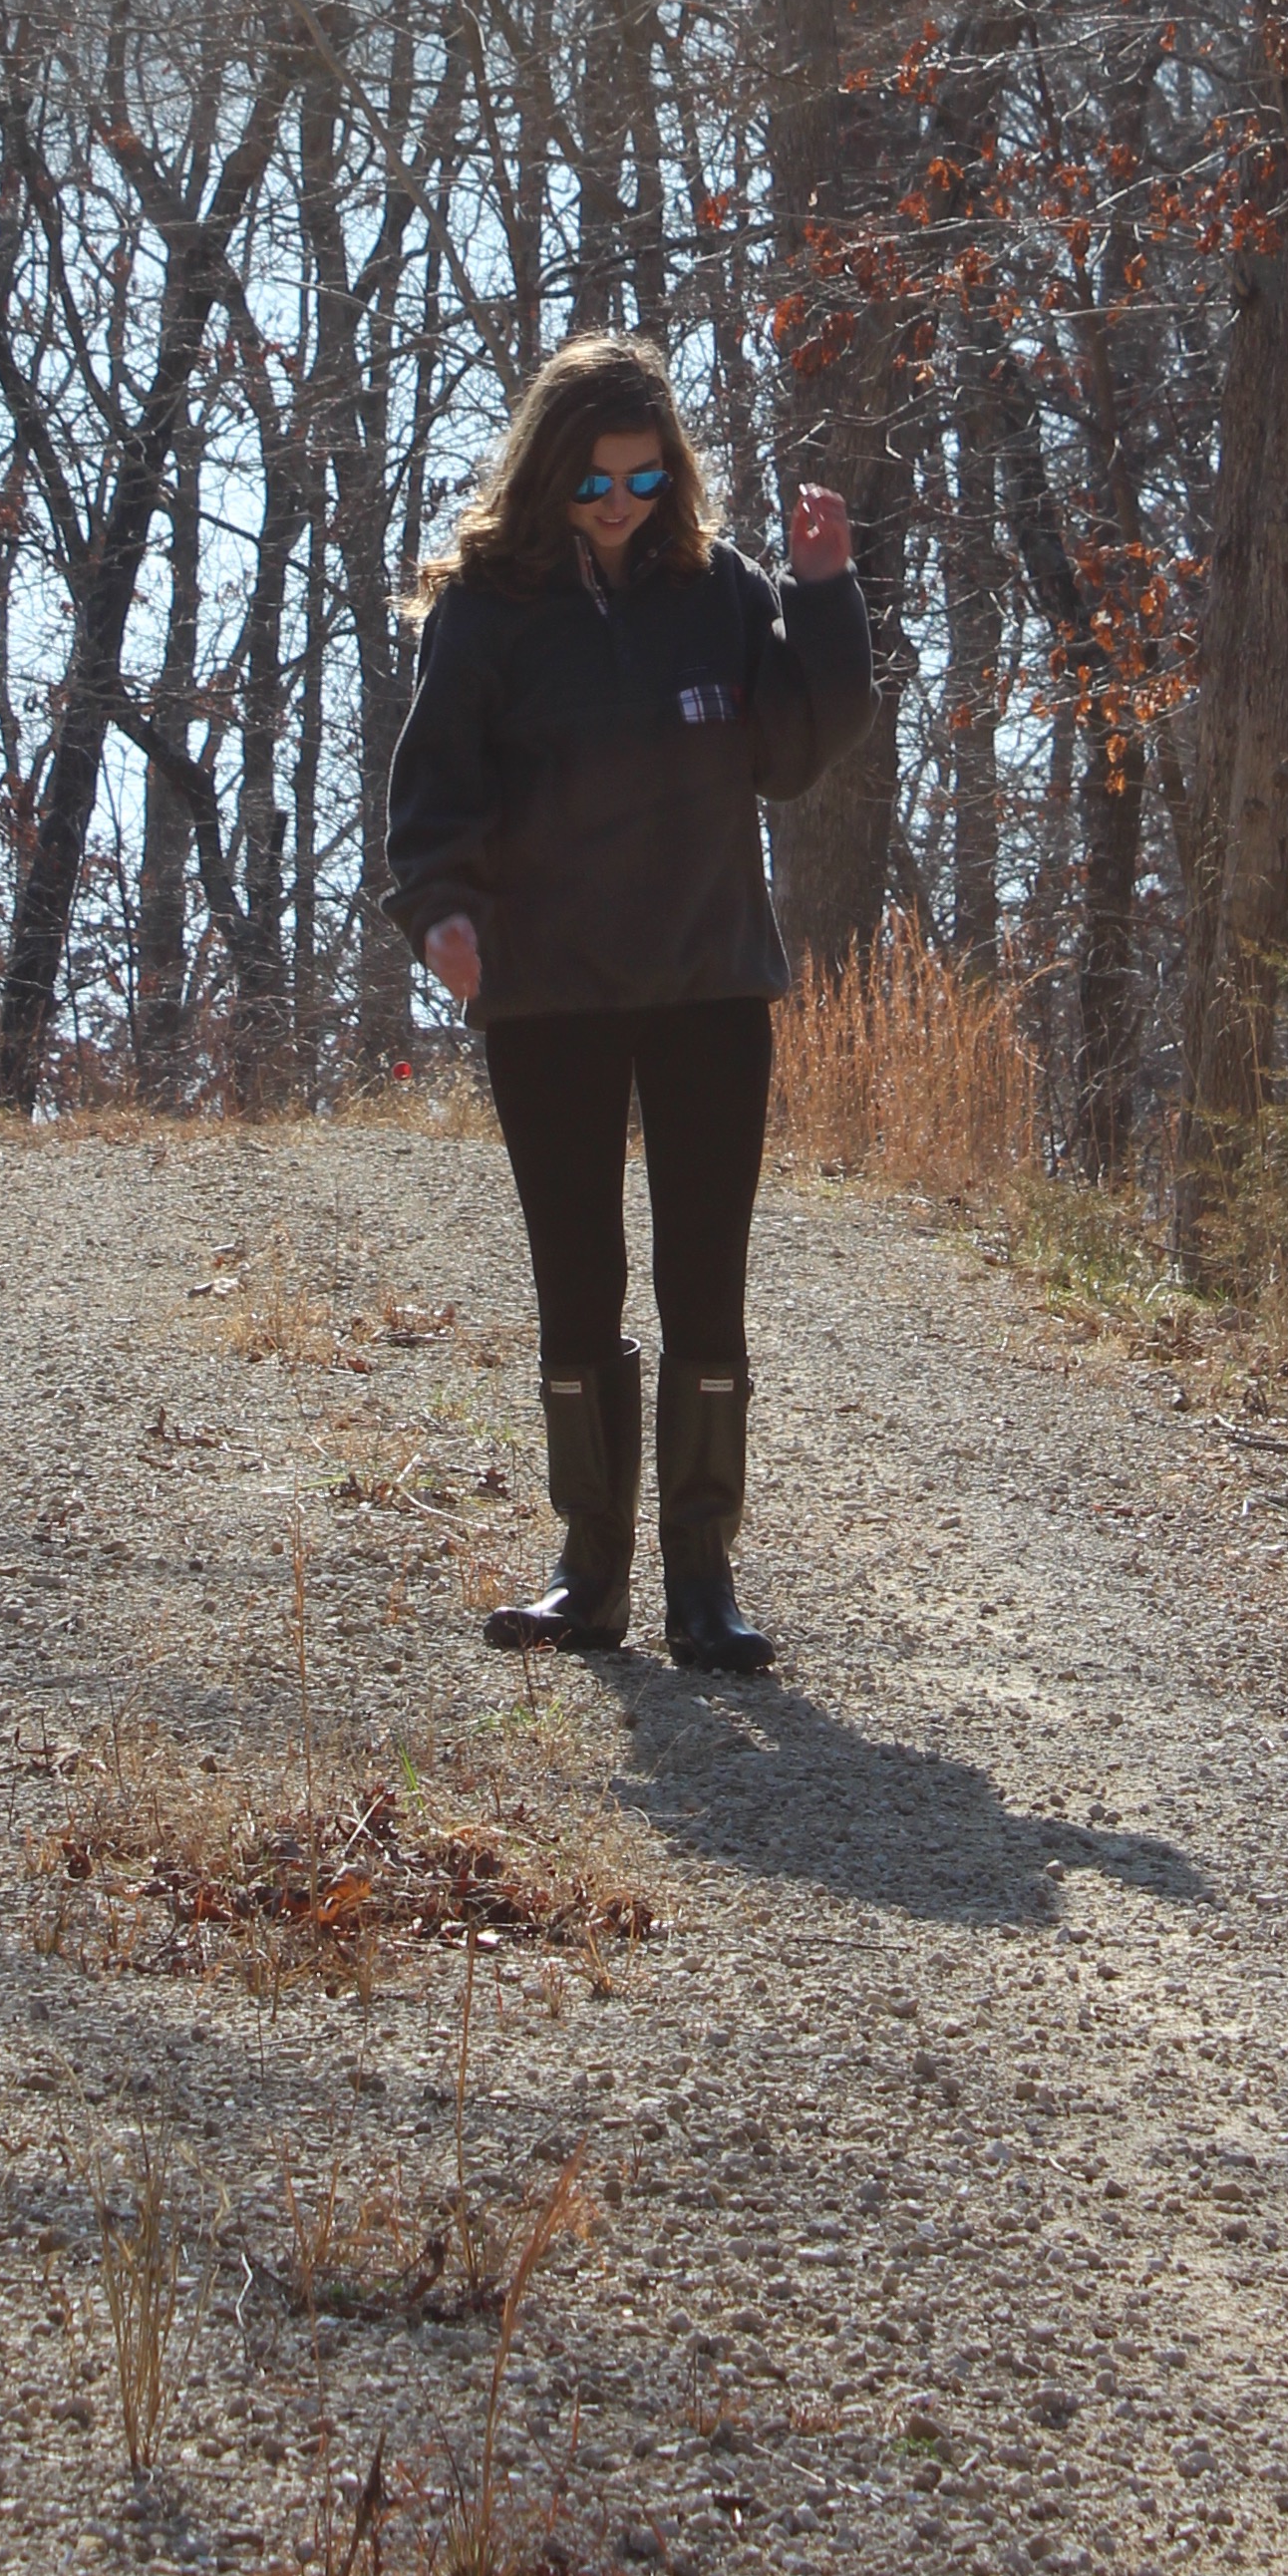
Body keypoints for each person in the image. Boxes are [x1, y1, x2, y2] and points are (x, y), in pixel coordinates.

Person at [381, 333, 872, 1673]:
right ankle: (587, 1573)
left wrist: (824, 599)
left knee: (705, 1288)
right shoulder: (483, 613)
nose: (617, 509)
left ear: (672, 480)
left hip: (710, 988)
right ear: (549, 476)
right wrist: (446, 918)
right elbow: (433, 803)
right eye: (594, 485)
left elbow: (789, 757)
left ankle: (702, 1583)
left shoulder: (720, 592)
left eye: (643, 484)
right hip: (550, 1002)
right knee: (578, 1287)